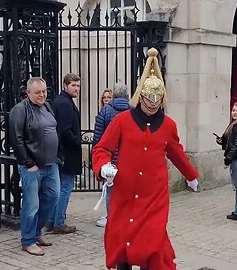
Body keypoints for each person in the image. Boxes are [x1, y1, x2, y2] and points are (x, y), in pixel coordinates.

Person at [92, 48, 199, 270]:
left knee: (153, 241)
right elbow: (102, 148)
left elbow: (176, 153)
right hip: (125, 193)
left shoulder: (168, 125)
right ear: (141, 97)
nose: (153, 106)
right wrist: (103, 167)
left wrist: (191, 176)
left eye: (157, 102)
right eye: (149, 101)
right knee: (123, 241)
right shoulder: (122, 121)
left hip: (154, 195)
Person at [9, 77, 61, 256]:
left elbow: (54, 130)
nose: (42, 95)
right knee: (32, 204)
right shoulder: (20, 110)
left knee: (53, 197)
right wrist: (28, 162)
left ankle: (37, 231)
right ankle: (28, 240)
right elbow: (16, 139)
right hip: (32, 166)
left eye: (44, 91)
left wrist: (58, 155)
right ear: (28, 92)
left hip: (51, 164)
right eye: (38, 92)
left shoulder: (47, 106)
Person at [47, 73, 82, 234]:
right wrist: (77, 142)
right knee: (64, 188)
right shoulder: (65, 104)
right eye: (73, 85)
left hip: (62, 152)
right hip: (67, 153)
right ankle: (58, 222)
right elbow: (65, 130)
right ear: (65, 85)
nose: (76, 89)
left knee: (60, 187)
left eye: (78, 85)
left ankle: (52, 219)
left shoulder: (62, 101)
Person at [93, 82, 131, 228]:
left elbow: (98, 137)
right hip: (128, 158)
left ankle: (112, 218)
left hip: (110, 158)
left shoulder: (105, 111)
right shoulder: (133, 110)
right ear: (127, 95)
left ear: (114, 95)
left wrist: (96, 159)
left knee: (111, 190)